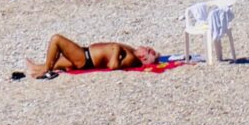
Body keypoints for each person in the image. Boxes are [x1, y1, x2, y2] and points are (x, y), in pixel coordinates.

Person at [15, 35, 164, 78]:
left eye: (149, 50)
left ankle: (45, 71)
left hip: (85, 59)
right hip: (85, 53)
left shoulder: (133, 59)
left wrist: (116, 49)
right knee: (54, 61)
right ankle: (37, 68)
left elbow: (113, 66)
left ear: (144, 58)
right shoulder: (132, 51)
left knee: (56, 40)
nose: (148, 47)